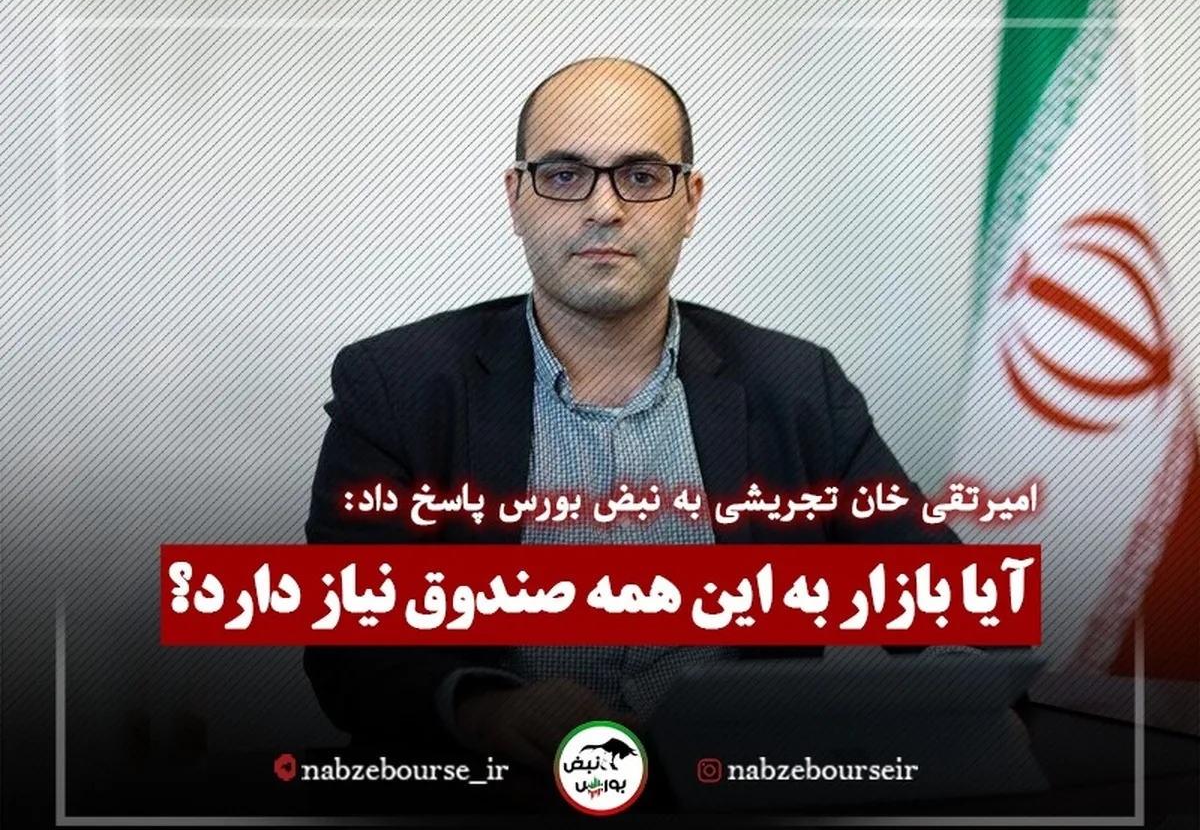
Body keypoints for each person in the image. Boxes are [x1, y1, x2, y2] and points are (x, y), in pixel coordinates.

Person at [303, 57, 959, 787]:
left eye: (642, 177)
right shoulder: (396, 387)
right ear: (516, 199)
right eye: (564, 175)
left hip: (726, 805)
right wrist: (484, 710)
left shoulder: (798, 387)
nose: (605, 209)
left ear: (691, 202)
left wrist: (965, 693)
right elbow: (348, 654)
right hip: (489, 806)